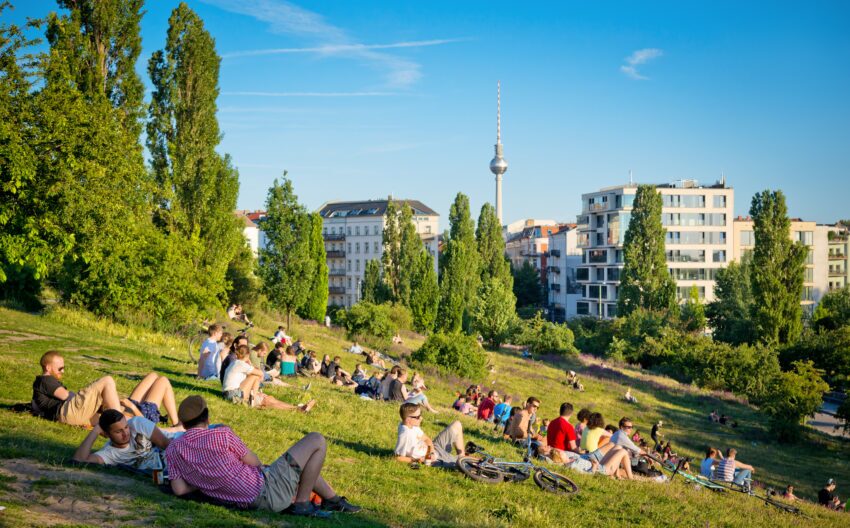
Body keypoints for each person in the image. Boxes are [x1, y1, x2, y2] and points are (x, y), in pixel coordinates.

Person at [165, 396, 359, 517]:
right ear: (207, 417)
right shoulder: (221, 434)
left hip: (245, 498)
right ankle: (302, 504)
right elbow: (255, 461)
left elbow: (179, 489)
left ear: (183, 424)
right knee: (317, 440)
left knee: (300, 466)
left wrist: (204, 478)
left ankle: (334, 500)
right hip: (265, 490)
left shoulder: (173, 449)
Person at [31, 351, 122, 427]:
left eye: (63, 368)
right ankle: (120, 423)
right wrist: (88, 399)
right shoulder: (46, 380)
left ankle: (121, 424)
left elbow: (36, 405)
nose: (63, 371)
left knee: (111, 412)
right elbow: (67, 396)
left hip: (69, 416)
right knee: (107, 380)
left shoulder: (41, 384)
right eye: (60, 368)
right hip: (68, 413)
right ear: (48, 367)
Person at [72, 409, 183, 471]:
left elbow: (166, 444)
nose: (125, 433)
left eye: (125, 427)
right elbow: (79, 460)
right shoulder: (110, 453)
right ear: (106, 434)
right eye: (118, 431)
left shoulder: (137, 424)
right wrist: (96, 430)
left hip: (180, 444)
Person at [222, 345, 315, 412]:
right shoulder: (240, 364)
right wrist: (250, 364)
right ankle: (253, 400)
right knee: (257, 379)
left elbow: (244, 382)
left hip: (234, 393)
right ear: (247, 355)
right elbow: (259, 373)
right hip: (233, 395)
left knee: (270, 398)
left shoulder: (235, 363)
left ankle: (298, 408)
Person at [394, 402, 465, 467]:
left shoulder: (412, 426)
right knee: (464, 464)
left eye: (420, 414)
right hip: (435, 459)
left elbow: (427, 439)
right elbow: (398, 457)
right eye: (417, 417)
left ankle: (462, 456)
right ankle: (463, 460)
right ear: (408, 420)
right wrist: (417, 460)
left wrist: (431, 451)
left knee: (457, 424)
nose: (421, 418)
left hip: (434, 448)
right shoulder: (405, 434)